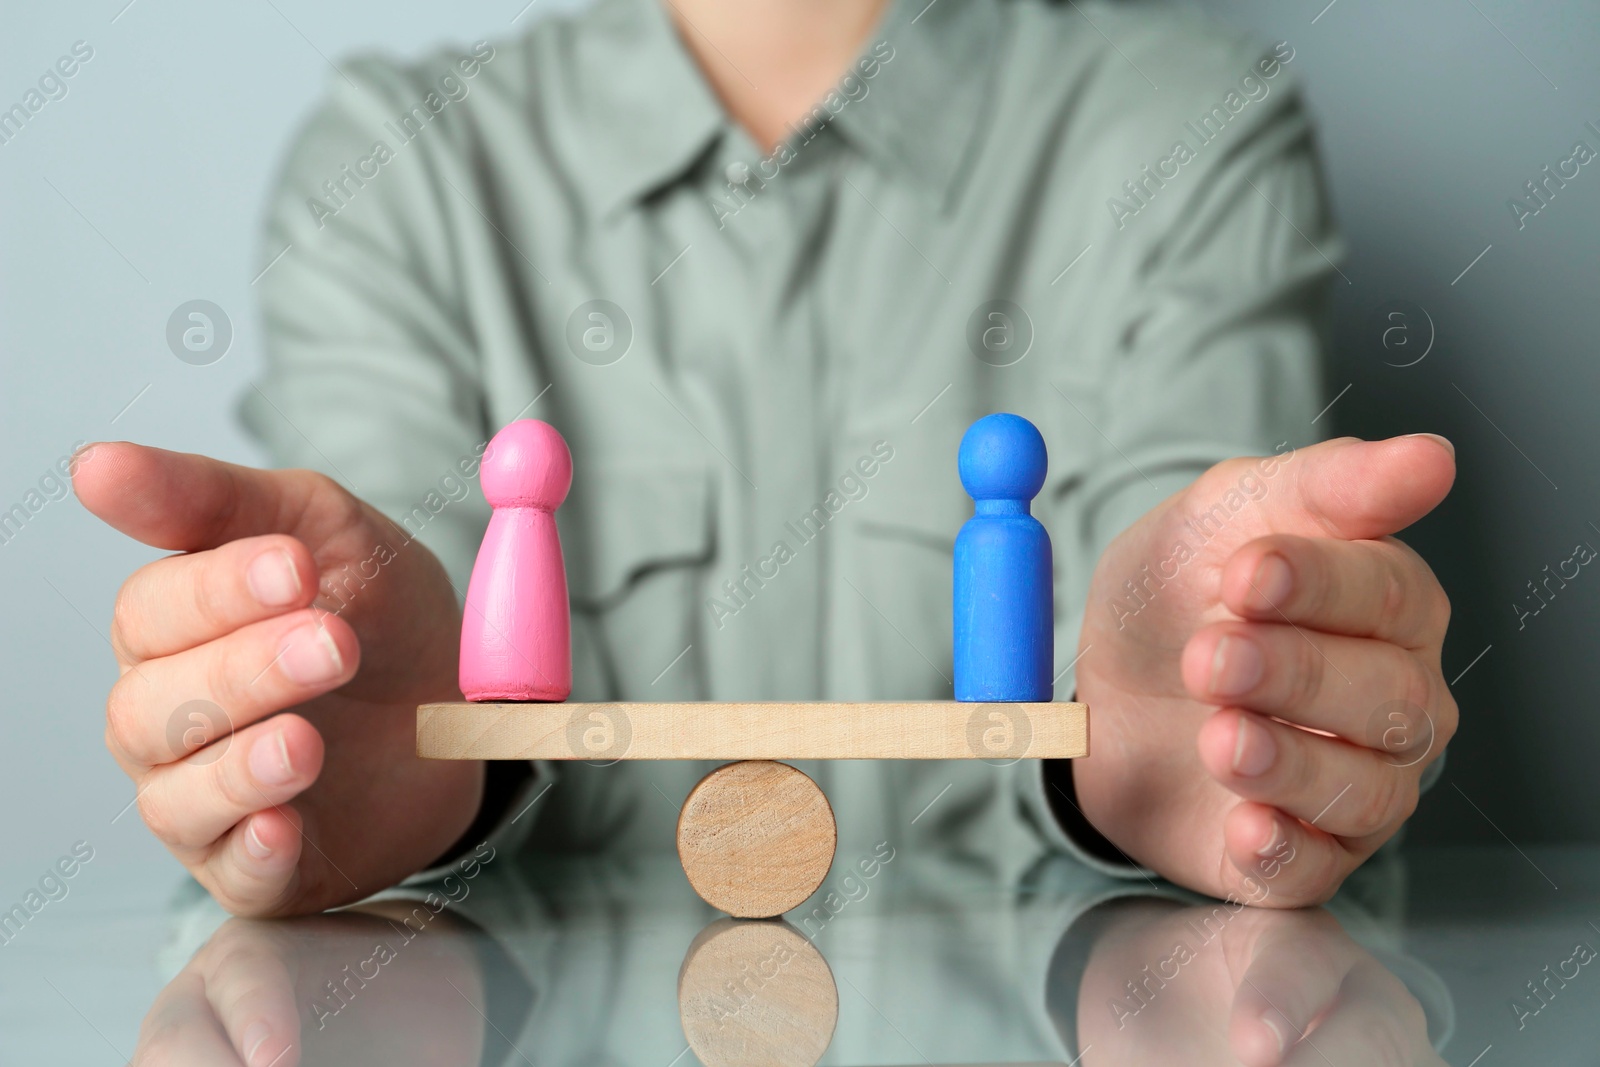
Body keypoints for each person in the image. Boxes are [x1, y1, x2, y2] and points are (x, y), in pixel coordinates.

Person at [74, 0, 1457, 918]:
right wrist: (380, 732)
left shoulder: (1189, 125)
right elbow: (387, 649)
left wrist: (1220, 687)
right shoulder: (401, 169)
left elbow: (1189, 638)